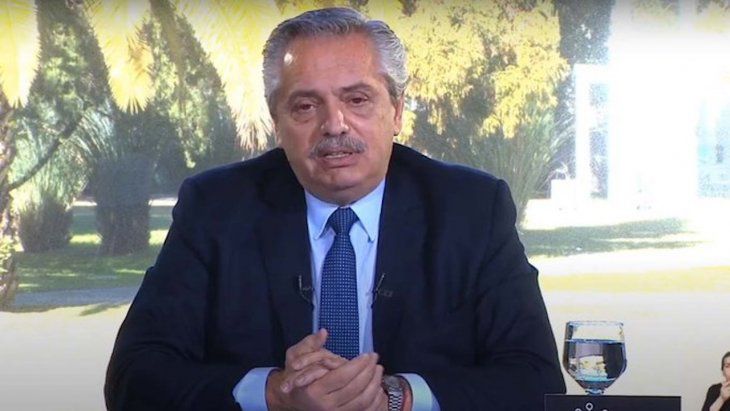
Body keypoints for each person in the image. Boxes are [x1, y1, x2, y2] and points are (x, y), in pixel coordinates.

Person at [104, 7, 565, 411]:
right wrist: (276, 393)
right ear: (277, 121)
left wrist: (399, 397)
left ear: (397, 111)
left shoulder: (472, 209)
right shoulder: (215, 209)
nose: (334, 125)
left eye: (357, 99)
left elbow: (536, 381)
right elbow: (135, 377)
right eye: (306, 106)